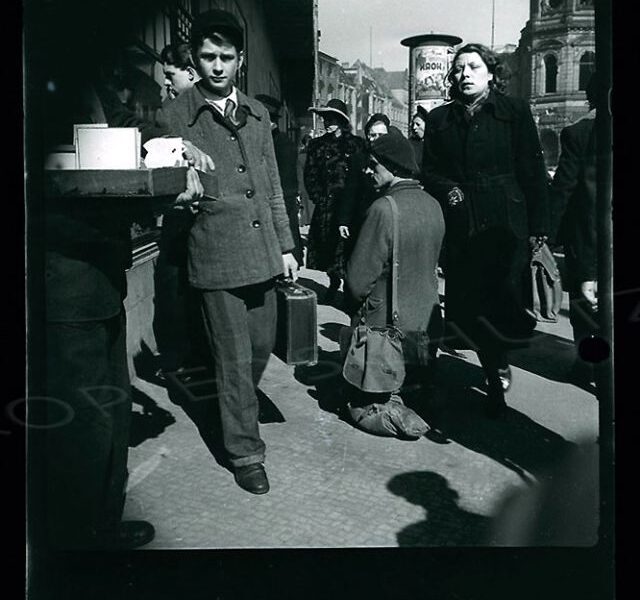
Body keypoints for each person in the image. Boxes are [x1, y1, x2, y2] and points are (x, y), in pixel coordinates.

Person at [157, 9, 298, 494]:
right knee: (234, 359)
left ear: (241, 60)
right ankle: (245, 453)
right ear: (195, 60)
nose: (217, 67)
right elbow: (160, 182)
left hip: (262, 252)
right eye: (207, 56)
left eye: (226, 57)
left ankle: (236, 408)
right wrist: (177, 163)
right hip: (214, 254)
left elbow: (275, 187)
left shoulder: (258, 113)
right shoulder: (174, 116)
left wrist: (286, 244)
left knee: (259, 350)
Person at [421, 43, 549, 418]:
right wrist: (451, 190)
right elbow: (428, 171)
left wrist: (539, 227)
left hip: (507, 221)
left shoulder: (514, 112)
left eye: (473, 67)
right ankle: (491, 368)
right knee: (471, 305)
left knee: (503, 300)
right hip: (463, 223)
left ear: (491, 73)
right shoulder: (440, 119)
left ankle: (497, 364)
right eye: (458, 68)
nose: (464, 74)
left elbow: (533, 171)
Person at [344, 130, 445, 438]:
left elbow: (358, 281)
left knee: (359, 402)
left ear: (393, 167)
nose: (366, 170)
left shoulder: (383, 208)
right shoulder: (433, 204)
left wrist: (353, 310)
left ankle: (389, 403)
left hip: (386, 326)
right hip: (425, 321)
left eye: (373, 164)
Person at [550, 73, 598, 384]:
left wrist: (548, 236)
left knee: (584, 309)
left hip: (588, 239)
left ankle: (587, 362)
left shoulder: (578, 133)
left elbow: (564, 190)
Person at [304, 98, 365, 300]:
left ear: (341, 121)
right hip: (327, 207)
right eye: (325, 119)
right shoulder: (316, 146)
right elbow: (309, 175)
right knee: (329, 249)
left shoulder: (356, 145)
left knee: (349, 249)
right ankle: (333, 283)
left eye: (332, 119)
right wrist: (319, 198)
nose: (327, 123)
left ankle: (350, 289)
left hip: (350, 207)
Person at [256, 93, 304, 265]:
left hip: (282, 203)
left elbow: (284, 182)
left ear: (269, 121)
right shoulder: (272, 141)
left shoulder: (281, 144)